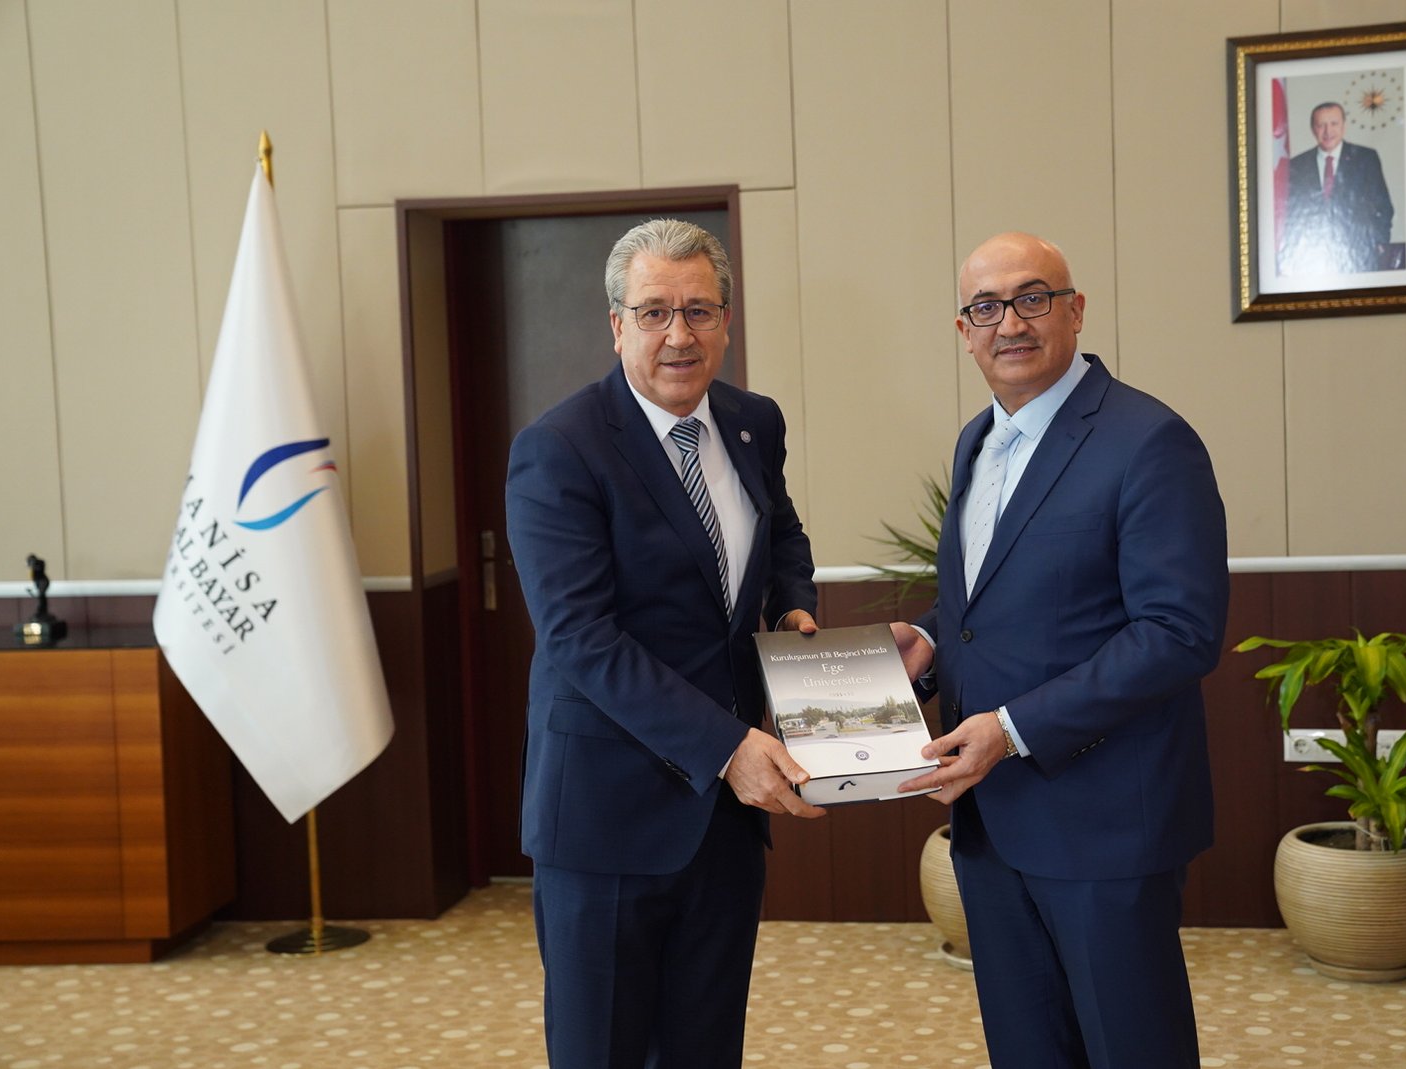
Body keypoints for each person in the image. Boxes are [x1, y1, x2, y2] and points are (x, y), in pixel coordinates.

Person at [893, 232, 1229, 1067]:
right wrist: (928, 638)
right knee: (1028, 1047)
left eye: (1032, 298)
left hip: (1105, 823)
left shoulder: (1149, 440)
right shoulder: (977, 440)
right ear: (964, 331)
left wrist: (1010, 729)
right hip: (992, 823)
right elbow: (998, 601)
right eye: (986, 307)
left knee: (1131, 1048)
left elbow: (1178, 631)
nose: (1010, 323)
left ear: (1075, 311)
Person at [504, 217, 825, 1068]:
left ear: (726, 320)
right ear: (618, 326)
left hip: (723, 824)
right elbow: (580, 637)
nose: (678, 334)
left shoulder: (754, 423)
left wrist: (794, 606)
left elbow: (783, 532)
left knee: (704, 1048)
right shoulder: (559, 449)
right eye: (654, 312)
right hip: (605, 818)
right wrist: (728, 747)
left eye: (698, 310)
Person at [1281, 101, 1396, 274]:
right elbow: (1291, 213)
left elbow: (1384, 207)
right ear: (1313, 129)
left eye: (1334, 124)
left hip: (1360, 258)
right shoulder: (1297, 165)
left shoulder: (1366, 158)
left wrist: (1378, 243)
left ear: (1344, 126)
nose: (1328, 132)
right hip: (1313, 260)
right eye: (1321, 125)